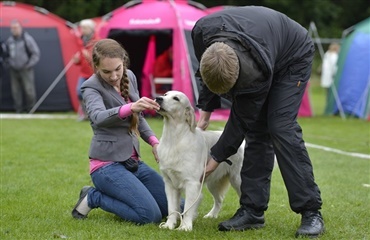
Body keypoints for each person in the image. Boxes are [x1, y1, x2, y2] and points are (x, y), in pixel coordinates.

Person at [192, 6, 324, 238]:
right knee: (258, 131)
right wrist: (206, 109)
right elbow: (207, 73)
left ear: (240, 75)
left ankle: (311, 211)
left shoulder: (255, 74)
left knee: (280, 127)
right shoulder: (201, 32)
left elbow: (241, 119)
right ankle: (252, 211)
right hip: (263, 41)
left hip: (292, 56)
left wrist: (215, 157)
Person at [71, 38, 168, 224]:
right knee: (150, 216)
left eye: (118, 69)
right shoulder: (90, 87)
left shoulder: (129, 77)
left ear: (124, 62)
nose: (114, 76)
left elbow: (138, 117)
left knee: (176, 207)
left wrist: (155, 142)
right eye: (107, 72)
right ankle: (93, 197)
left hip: (132, 163)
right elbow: (98, 118)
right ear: (96, 67)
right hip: (107, 167)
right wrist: (131, 107)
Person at [5, 20, 40, 113]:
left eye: (16, 28)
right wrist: (9, 62)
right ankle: (18, 110)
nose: (14, 30)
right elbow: (7, 54)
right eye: (12, 28)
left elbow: (36, 53)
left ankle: (31, 109)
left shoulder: (27, 39)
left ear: (20, 28)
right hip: (13, 69)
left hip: (26, 69)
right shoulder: (10, 40)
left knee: (29, 90)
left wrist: (29, 64)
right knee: (15, 91)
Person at [73, 19, 98, 121]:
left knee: (94, 95)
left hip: (94, 73)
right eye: (81, 28)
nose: (82, 30)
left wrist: (89, 57)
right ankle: (84, 114)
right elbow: (80, 59)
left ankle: (94, 114)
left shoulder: (98, 41)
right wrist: (76, 60)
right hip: (83, 73)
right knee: (79, 92)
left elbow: (100, 59)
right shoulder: (81, 41)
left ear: (91, 29)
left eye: (84, 28)